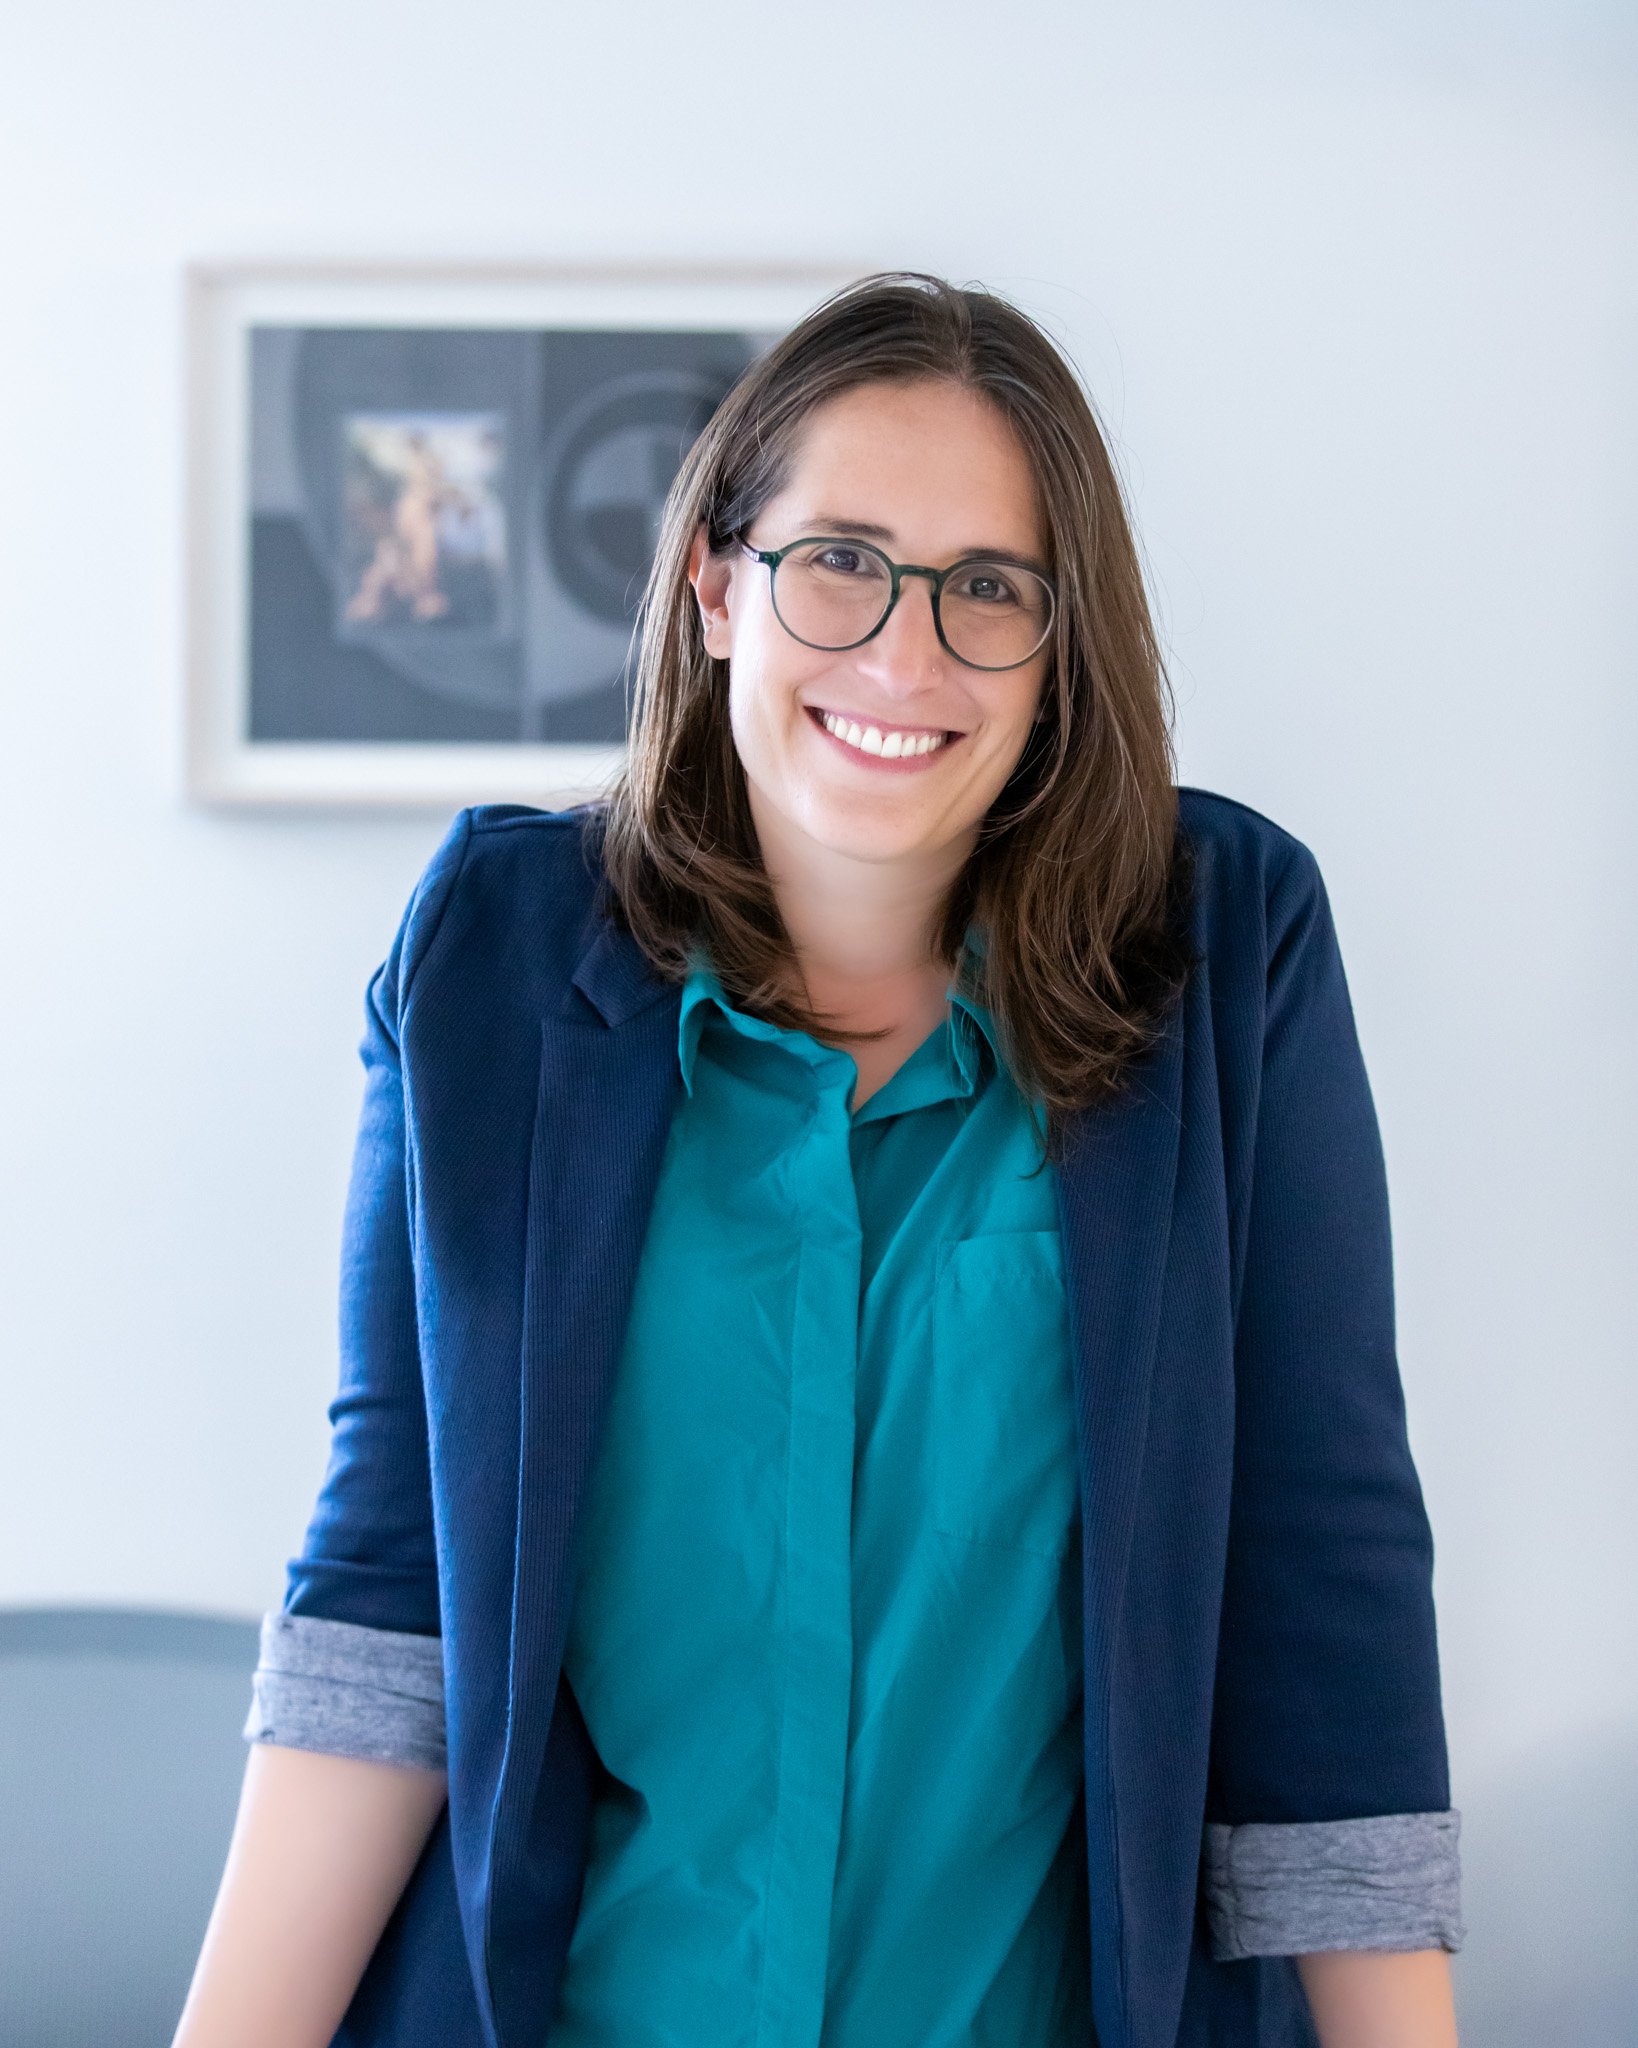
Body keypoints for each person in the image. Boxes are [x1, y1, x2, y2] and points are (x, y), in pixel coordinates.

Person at [173, 272, 1463, 2048]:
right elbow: (393, 1601)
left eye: (987, 589)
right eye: (838, 560)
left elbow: (1320, 1581)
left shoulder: (1225, 952)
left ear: (1058, 647)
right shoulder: (495, 954)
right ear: (716, 588)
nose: (904, 653)